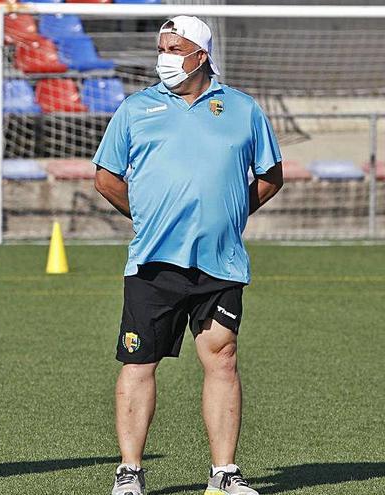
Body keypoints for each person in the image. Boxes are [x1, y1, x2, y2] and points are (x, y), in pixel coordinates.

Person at [93, 16, 284, 495]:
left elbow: (270, 175)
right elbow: (107, 178)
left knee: (222, 360)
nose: (164, 57)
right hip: (154, 261)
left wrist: (234, 211)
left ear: (201, 54)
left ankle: (224, 473)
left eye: (174, 48)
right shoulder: (136, 109)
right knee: (139, 363)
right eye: (161, 47)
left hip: (220, 262)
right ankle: (130, 472)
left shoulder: (243, 109)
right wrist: (149, 218)